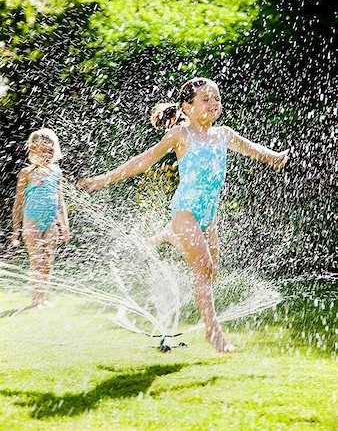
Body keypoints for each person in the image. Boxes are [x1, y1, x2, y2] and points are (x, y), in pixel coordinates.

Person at [77, 77, 289, 352]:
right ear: (186, 107)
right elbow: (144, 160)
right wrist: (104, 179)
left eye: (216, 98)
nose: (214, 103)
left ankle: (170, 235)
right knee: (204, 267)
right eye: (205, 99)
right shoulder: (181, 135)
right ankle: (214, 334)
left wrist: (273, 157)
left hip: (207, 215)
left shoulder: (223, 134)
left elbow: (252, 149)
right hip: (185, 212)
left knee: (213, 271)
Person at [11, 128, 70, 307]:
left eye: (50, 151)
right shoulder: (26, 173)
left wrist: (65, 226)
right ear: (33, 151)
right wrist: (15, 230)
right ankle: (35, 300)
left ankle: (42, 298)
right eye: (42, 151)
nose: (46, 155)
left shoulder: (56, 172)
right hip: (32, 222)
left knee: (48, 262)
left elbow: (60, 202)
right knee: (38, 260)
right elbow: (18, 202)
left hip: (50, 223)